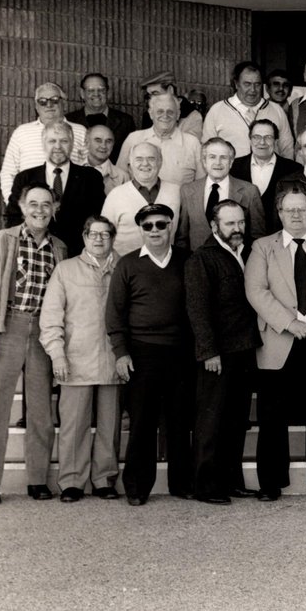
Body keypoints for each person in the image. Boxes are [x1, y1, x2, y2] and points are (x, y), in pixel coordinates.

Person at [244, 182, 306, 502]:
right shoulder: (263, 247)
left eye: (303, 209)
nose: (297, 215)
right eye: (290, 210)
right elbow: (256, 291)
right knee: (272, 416)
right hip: (278, 341)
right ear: (279, 213)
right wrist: (289, 323)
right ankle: (271, 483)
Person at [0, 184, 67, 504]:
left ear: (55, 209)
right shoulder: (4, 240)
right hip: (8, 326)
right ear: (22, 207)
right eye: (33, 204)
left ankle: (37, 480)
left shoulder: (60, 247)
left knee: (41, 411)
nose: (39, 210)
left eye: (46, 204)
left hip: (43, 330)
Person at [106, 202, 194, 505]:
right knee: (142, 422)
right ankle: (137, 487)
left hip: (181, 353)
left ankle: (181, 483)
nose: (155, 230)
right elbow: (114, 313)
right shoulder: (128, 264)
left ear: (170, 226)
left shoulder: (187, 261)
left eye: (160, 224)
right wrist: (121, 352)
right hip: (141, 354)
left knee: (180, 421)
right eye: (148, 226)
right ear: (141, 230)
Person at [184, 200, 263, 505]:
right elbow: (197, 310)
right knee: (211, 420)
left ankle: (232, 481)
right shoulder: (202, 259)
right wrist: (208, 352)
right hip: (218, 354)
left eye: (241, 222)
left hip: (243, 351)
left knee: (236, 419)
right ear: (214, 226)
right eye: (230, 224)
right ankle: (205, 484)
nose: (237, 229)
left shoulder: (247, 251)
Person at [39, 215, 122, 501]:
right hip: (75, 358)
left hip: (114, 359)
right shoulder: (66, 270)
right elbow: (50, 317)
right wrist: (57, 355)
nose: (99, 239)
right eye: (93, 234)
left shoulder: (124, 266)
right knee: (74, 425)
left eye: (105, 234)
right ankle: (72, 482)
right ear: (84, 237)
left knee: (110, 425)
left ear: (113, 237)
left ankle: (104, 480)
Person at [6, 121, 106, 256]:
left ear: (72, 144)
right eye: (52, 141)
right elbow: (14, 217)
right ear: (43, 144)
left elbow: (96, 218)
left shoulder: (91, 178)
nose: (58, 146)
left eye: (64, 141)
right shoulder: (25, 178)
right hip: (34, 253)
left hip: (77, 256)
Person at [0, 82, 88, 200]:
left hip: (73, 205)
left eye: (55, 100)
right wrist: (17, 205)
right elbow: (8, 173)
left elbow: (88, 168)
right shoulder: (21, 133)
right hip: (33, 209)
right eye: (42, 101)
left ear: (64, 103)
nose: (49, 105)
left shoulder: (80, 131)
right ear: (36, 106)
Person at [175, 137, 266, 250]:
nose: (218, 163)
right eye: (212, 157)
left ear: (231, 162)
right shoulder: (188, 191)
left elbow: (258, 237)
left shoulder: (249, 191)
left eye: (223, 157)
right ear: (204, 161)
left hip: (236, 263)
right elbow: (182, 237)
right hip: (197, 262)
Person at [201, 61, 295, 160]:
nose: (253, 90)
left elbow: (287, 149)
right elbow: (206, 150)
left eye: (257, 84)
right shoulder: (217, 110)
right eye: (247, 84)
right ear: (236, 84)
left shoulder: (276, 110)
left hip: (270, 173)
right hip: (231, 174)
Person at [101, 142, 182, 255]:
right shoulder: (116, 195)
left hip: (165, 264)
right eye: (139, 159)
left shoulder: (177, 192)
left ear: (160, 162)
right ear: (131, 164)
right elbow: (104, 235)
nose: (145, 164)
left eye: (151, 159)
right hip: (126, 266)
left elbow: (182, 234)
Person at [116, 92, 204, 186]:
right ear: (151, 114)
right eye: (160, 111)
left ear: (178, 115)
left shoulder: (192, 143)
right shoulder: (134, 139)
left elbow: (201, 186)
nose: (165, 116)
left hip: (178, 200)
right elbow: (119, 179)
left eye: (170, 112)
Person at [230, 118, 302, 232]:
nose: (262, 142)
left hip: (280, 238)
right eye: (256, 137)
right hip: (242, 237)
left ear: (276, 141)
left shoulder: (294, 169)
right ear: (250, 140)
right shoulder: (234, 167)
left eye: (268, 137)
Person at [66, 72, 135, 162]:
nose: (96, 94)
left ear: (108, 93)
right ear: (82, 94)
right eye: (91, 91)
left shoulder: (126, 121)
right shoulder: (69, 121)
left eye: (101, 90)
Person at [138, 69, 203, 137]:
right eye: (149, 95)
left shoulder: (192, 115)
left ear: (170, 90)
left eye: (155, 93)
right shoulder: (149, 114)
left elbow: (190, 145)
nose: (152, 98)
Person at [85, 123, 129, 194]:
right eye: (98, 140)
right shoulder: (72, 170)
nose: (103, 146)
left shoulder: (123, 177)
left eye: (108, 141)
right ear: (86, 143)